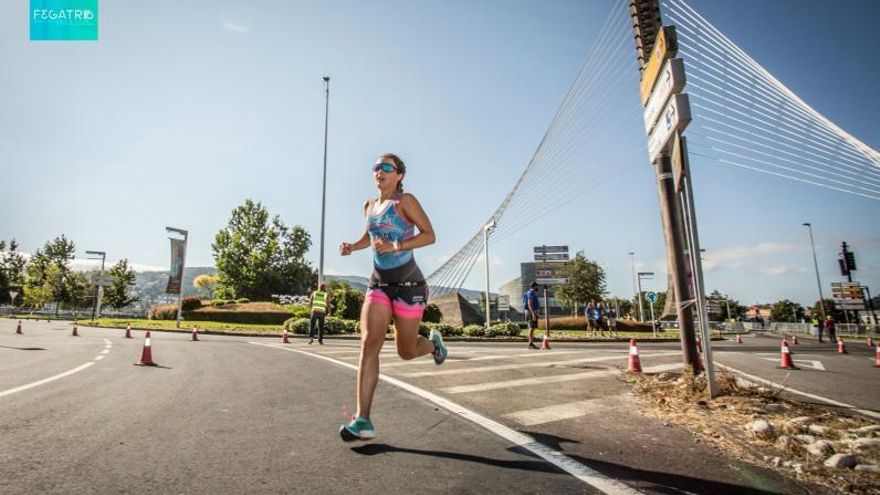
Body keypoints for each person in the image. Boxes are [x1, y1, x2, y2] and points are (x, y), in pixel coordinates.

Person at [337, 153, 445, 442]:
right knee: (369, 343)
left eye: (387, 167)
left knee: (406, 351)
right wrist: (352, 246)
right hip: (380, 284)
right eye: (376, 167)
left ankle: (432, 345)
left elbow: (429, 235)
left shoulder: (405, 202)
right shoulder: (369, 206)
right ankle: (363, 420)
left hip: (409, 284)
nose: (379, 171)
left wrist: (396, 245)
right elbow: (369, 238)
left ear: (399, 175)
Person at [522, 282, 541, 349]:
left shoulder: (531, 293)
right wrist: (533, 314)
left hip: (531, 312)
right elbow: (529, 304)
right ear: (534, 286)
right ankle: (530, 344)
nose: (538, 288)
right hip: (531, 312)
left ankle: (531, 343)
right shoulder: (531, 293)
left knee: (532, 328)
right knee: (531, 328)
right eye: (537, 286)